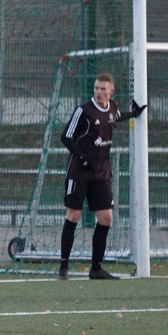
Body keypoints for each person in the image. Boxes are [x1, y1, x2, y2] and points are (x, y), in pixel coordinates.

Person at [57, 73, 146, 280]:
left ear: (111, 91)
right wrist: (81, 157)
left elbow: (115, 117)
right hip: (79, 172)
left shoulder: (113, 107)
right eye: (96, 88)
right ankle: (63, 267)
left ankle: (96, 268)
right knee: (73, 215)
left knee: (106, 219)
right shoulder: (83, 110)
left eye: (103, 89)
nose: (98, 92)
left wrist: (133, 114)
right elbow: (65, 136)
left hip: (101, 173)